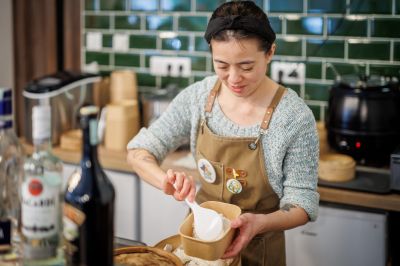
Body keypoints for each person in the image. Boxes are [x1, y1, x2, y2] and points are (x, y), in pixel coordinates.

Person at [127, 1, 319, 265]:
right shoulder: (198, 97)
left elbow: (302, 204)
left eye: (247, 66)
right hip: (200, 249)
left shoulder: (294, 116)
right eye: (221, 65)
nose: (233, 78)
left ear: (270, 53)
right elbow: (138, 152)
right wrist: (165, 181)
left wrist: (260, 223)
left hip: (259, 249)